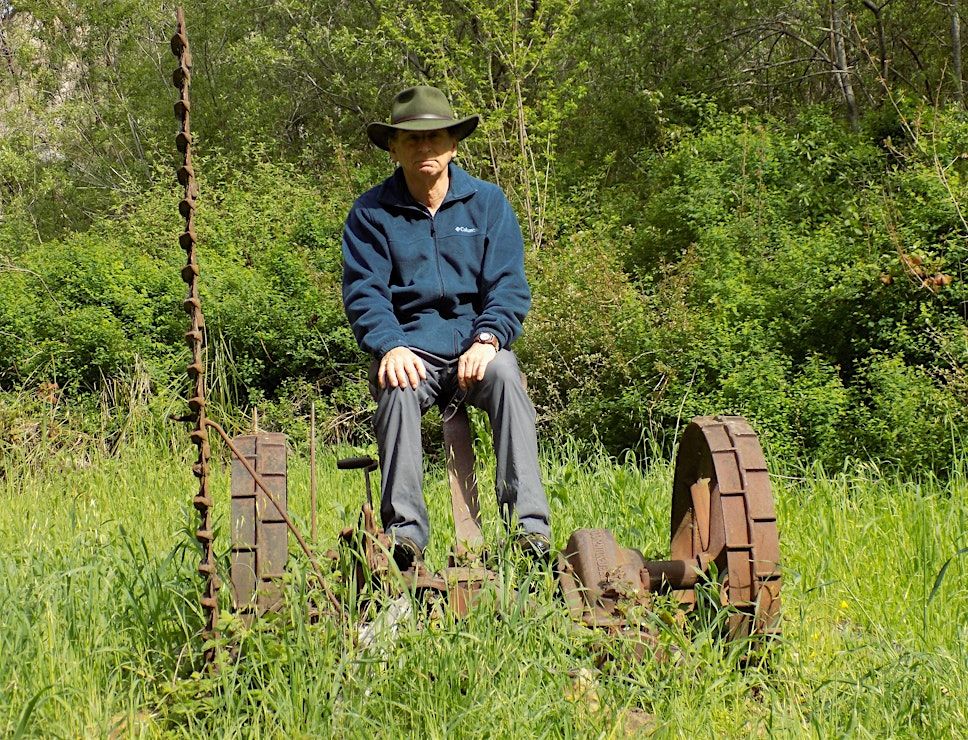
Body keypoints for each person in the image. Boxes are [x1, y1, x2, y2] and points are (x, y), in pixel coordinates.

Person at [341, 85, 551, 569]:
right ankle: (405, 538)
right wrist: (389, 346)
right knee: (394, 389)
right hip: (410, 349)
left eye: (435, 137)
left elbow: (508, 284)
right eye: (412, 140)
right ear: (393, 147)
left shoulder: (487, 204)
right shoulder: (370, 214)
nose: (424, 148)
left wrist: (489, 336)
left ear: (453, 143)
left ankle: (529, 531)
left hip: (475, 346)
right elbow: (363, 291)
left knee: (505, 374)